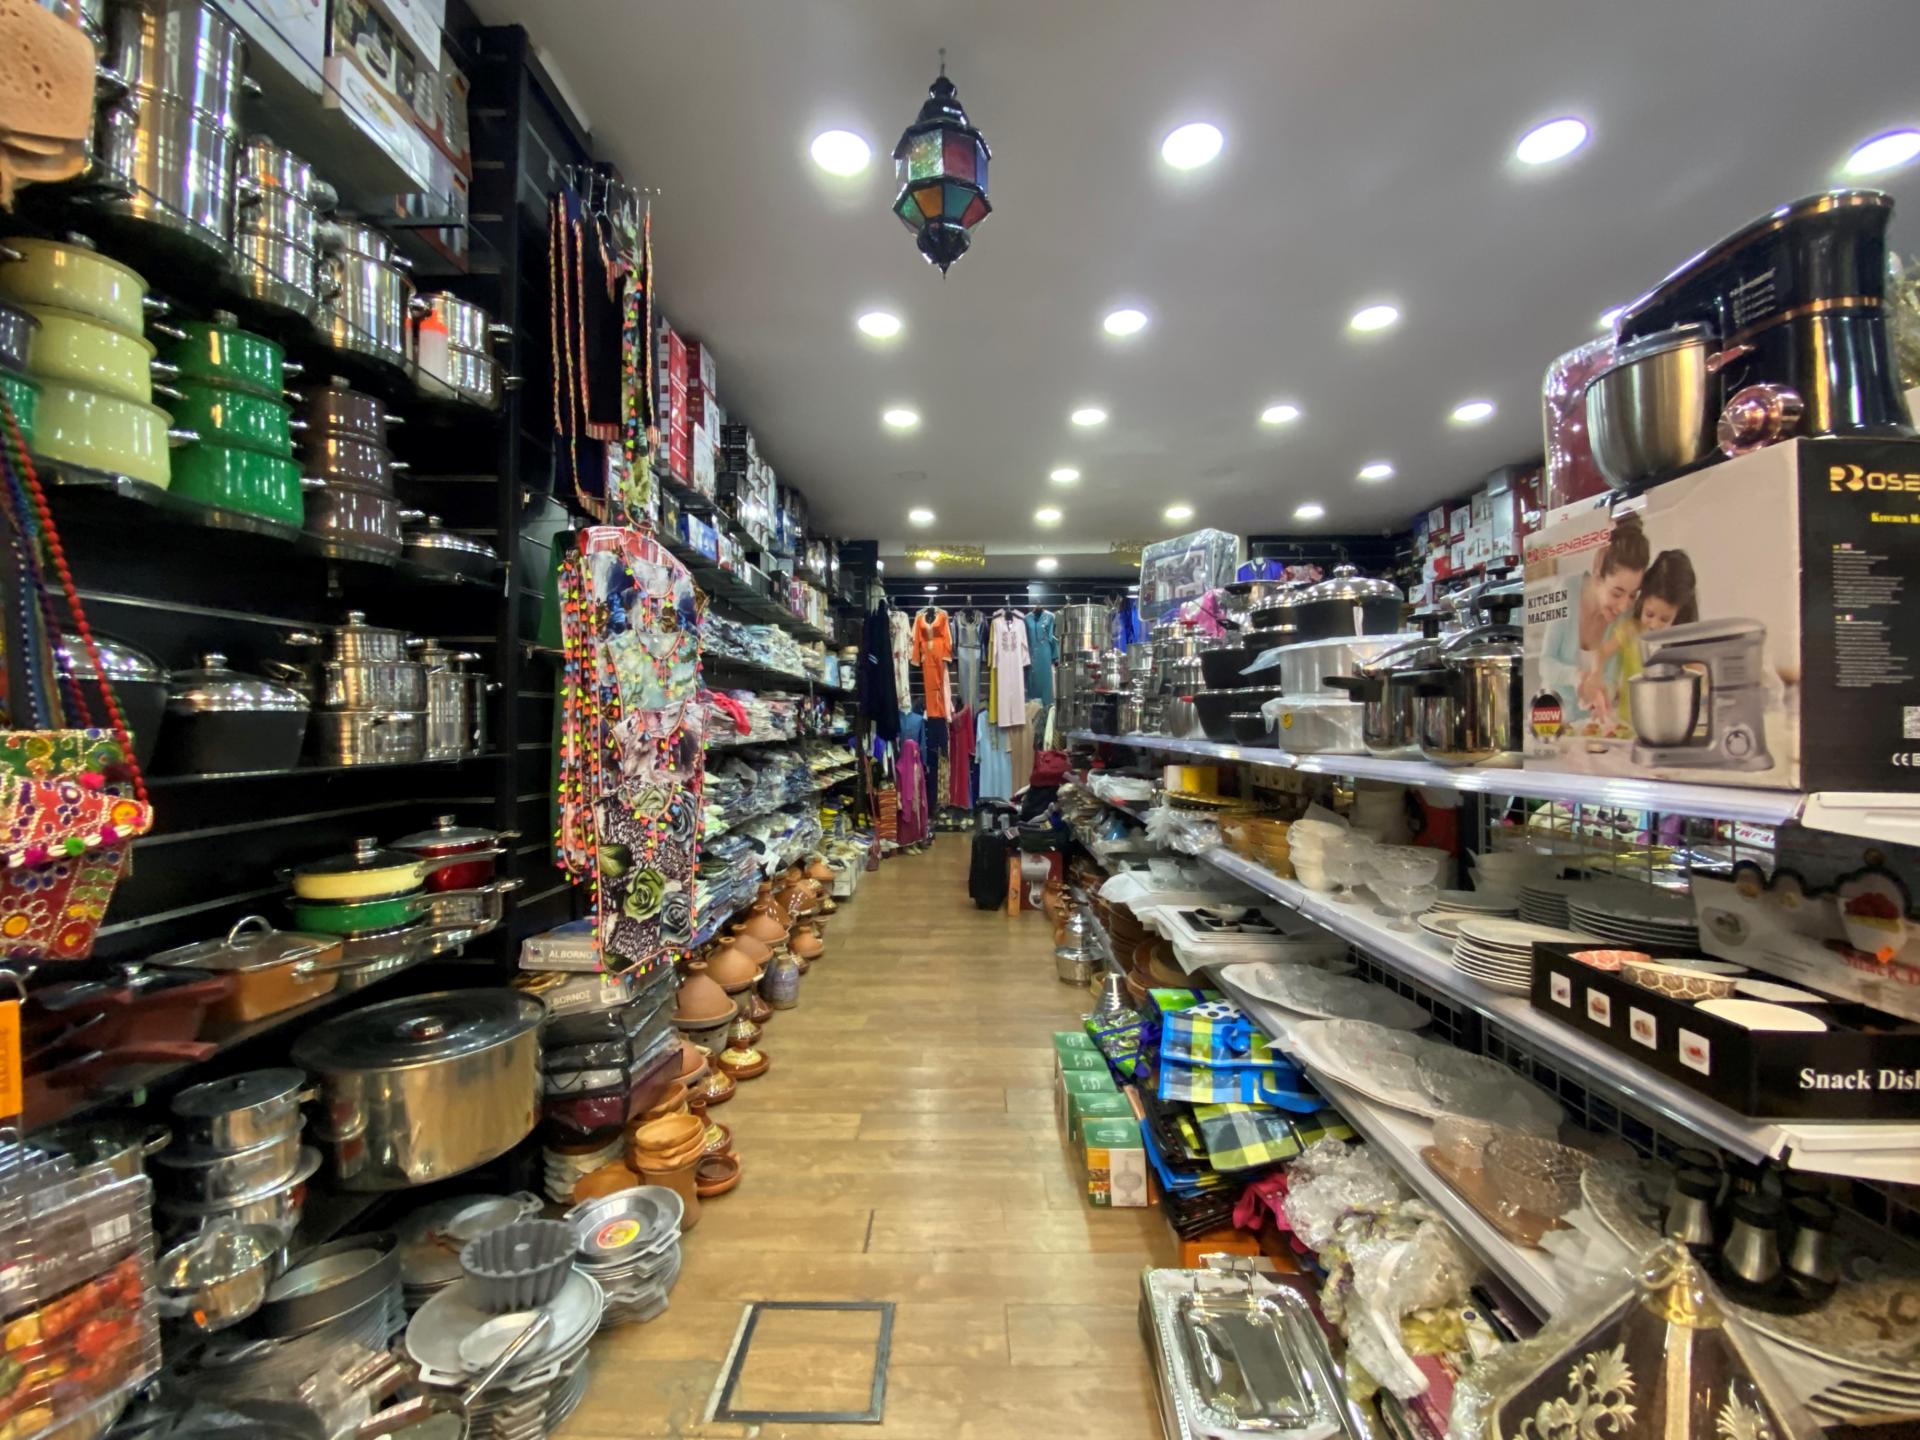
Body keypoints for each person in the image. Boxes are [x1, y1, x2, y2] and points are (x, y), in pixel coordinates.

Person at [1535, 512, 1650, 732]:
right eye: (1617, 593)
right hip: (1553, 719)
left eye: (1632, 595)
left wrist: (1603, 692)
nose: (1624, 606)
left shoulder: (1624, 616)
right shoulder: (1566, 590)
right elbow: (1545, 663)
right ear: (1598, 577)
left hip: (1591, 726)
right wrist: (1576, 677)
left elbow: (1611, 677)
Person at [1580, 548, 1698, 730]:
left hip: (1666, 724)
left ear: (1678, 614)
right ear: (1642, 601)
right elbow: (1601, 652)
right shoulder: (1630, 630)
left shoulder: (1680, 640)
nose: (1654, 624)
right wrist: (1596, 675)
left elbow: (1697, 672)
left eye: (1665, 619)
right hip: (1629, 723)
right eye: (1649, 614)